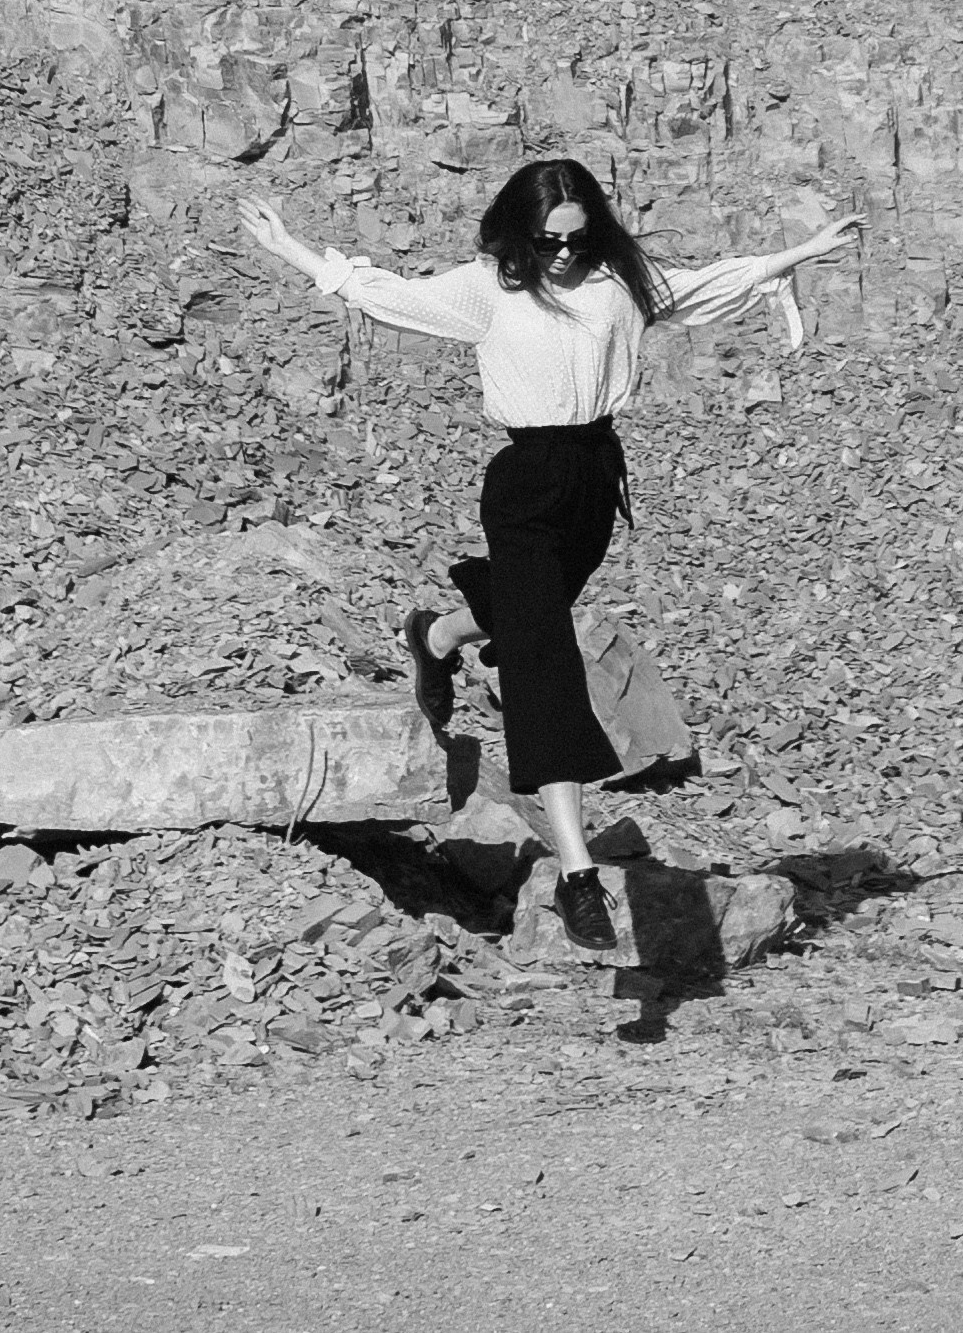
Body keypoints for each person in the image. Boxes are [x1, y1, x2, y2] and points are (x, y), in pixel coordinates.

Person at [239, 157, 860, 951]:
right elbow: (387, 294)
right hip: (525, 482)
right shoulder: (486, 286)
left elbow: (705, 286)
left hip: (594, 478)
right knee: (543, 661)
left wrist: (800, 252)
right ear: (518, 231)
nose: (562, 253)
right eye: (547, 239)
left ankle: (436, 635)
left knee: (535, 618)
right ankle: (578, 875)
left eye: (575, 237)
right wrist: (293, 249)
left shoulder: (620, 283)